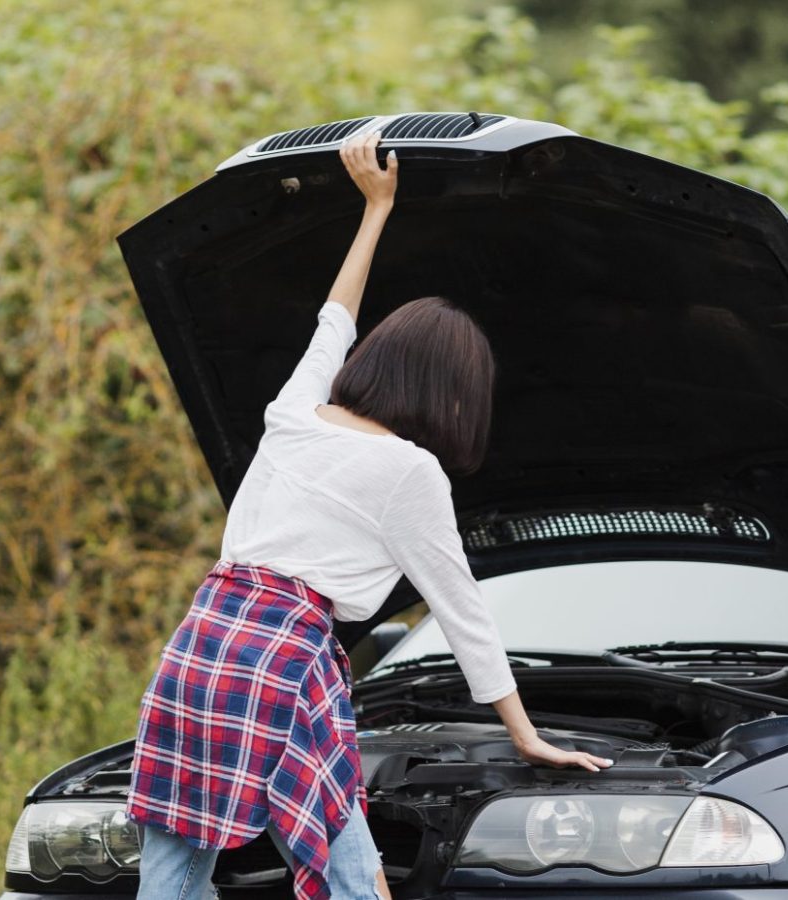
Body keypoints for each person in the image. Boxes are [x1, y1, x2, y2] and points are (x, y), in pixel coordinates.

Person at [124, 131, 613, 900]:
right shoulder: (408, 471)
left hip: (201, 648)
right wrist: (525, 733)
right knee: (347, 874)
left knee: (176, 872)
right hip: (282, 662)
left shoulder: (296, 412)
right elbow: (462, 609)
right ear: (452, 394)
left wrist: (376, 209)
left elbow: (334, 319)